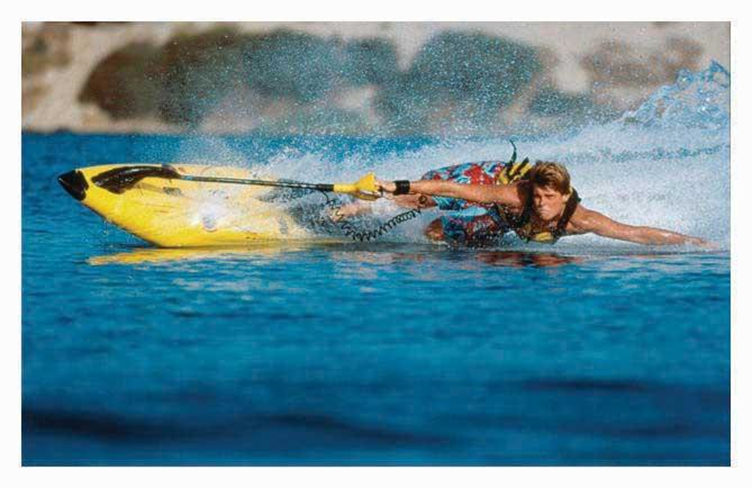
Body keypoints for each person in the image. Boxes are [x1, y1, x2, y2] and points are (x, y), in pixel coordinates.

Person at [339, 158, 714, 248]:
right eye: (536, 196)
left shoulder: (579, 220)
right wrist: (395, 184)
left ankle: (381, 215)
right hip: (488, 177)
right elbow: (454, 190)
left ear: (564, 197)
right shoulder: (515, 195)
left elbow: (634, 233)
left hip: (503, 220)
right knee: (430, 198)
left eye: (548, 198)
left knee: (441, 234)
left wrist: (699, 245)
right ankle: (363, 204)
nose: (540, 204)